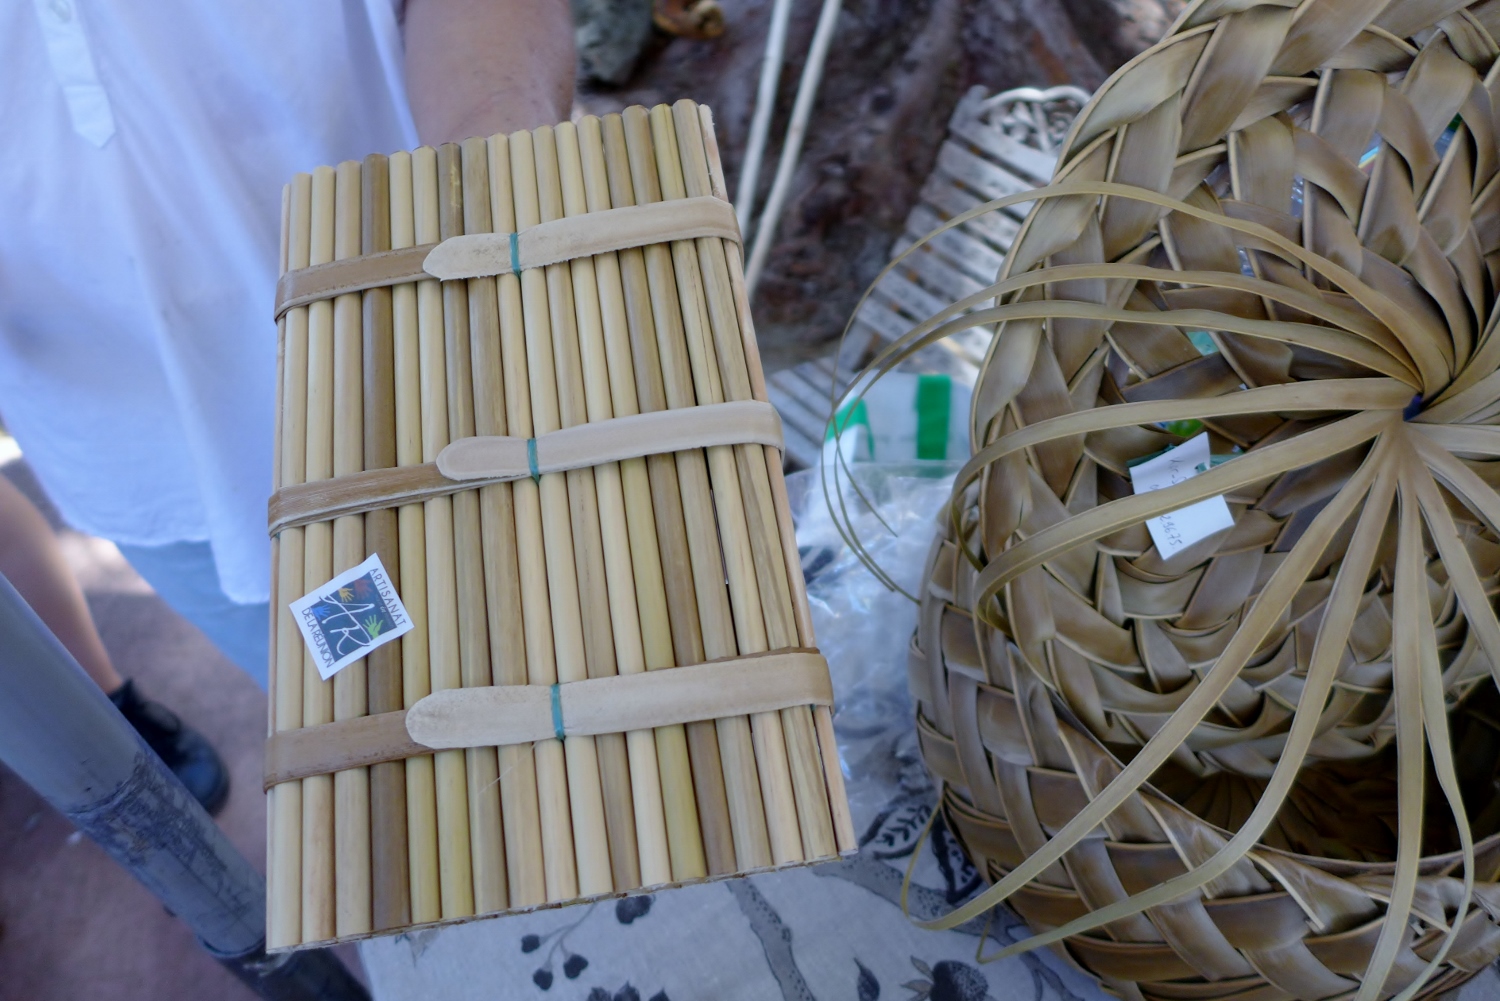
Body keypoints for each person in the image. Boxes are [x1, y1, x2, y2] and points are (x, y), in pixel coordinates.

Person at [1, 0, 576, 810]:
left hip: (453, 329)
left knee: (588, 624)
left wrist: (497, 182)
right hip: (164, 473)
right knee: (397, 724)